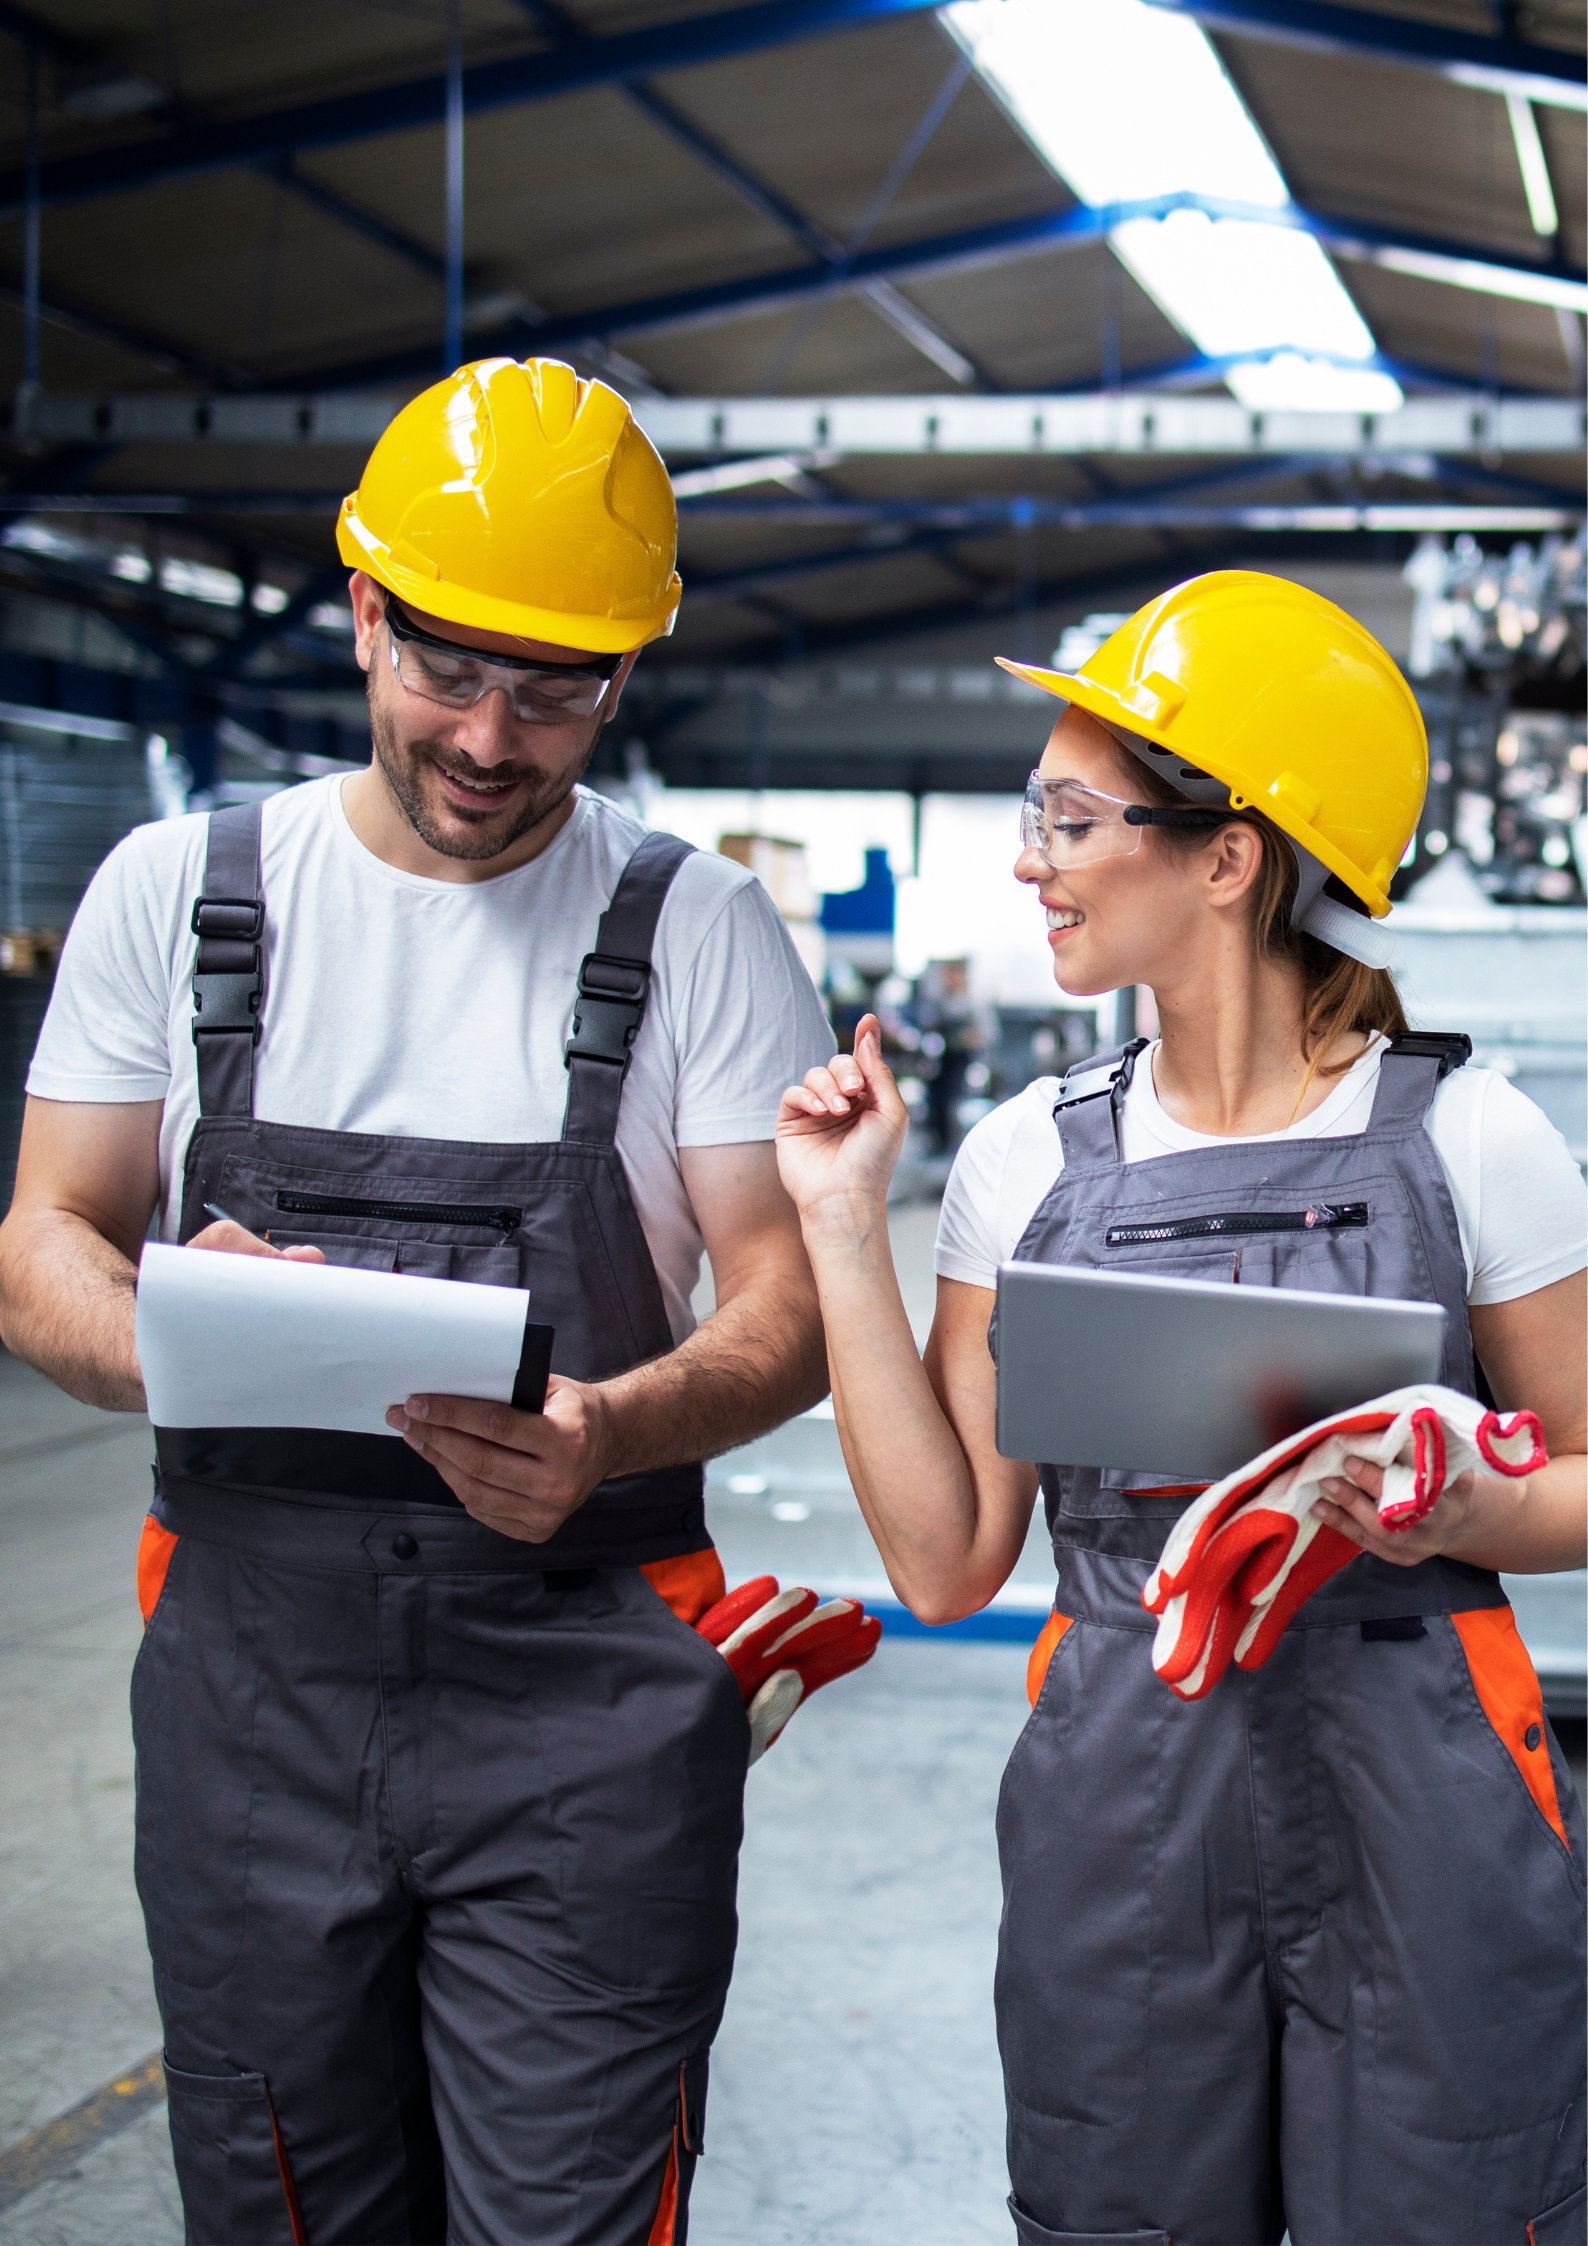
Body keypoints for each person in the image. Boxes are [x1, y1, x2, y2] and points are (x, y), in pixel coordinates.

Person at [0, 356, 843, 2246]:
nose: (489, 736)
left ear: (624, 676)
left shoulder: (689, 925)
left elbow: (782, 1299)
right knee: (283, 2198)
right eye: (450, 671)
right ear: (365, 610)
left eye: (555, 693)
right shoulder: (185, 892)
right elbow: (43, 1230)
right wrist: (165, 1332)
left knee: (569, 2213)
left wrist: (617, 1426)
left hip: (585, 1705)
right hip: (251, 1693)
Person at [774, 571, 1588, 2246]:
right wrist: (845, 1225)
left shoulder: (1475, 1139)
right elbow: (942, 1562)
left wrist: (1472, 1510)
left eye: (1072, 818)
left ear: (1226, 859)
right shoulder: (1021, 1164)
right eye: (1034, 812)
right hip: (1123, 1805)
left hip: (1421, 1790)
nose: (1030, 857)